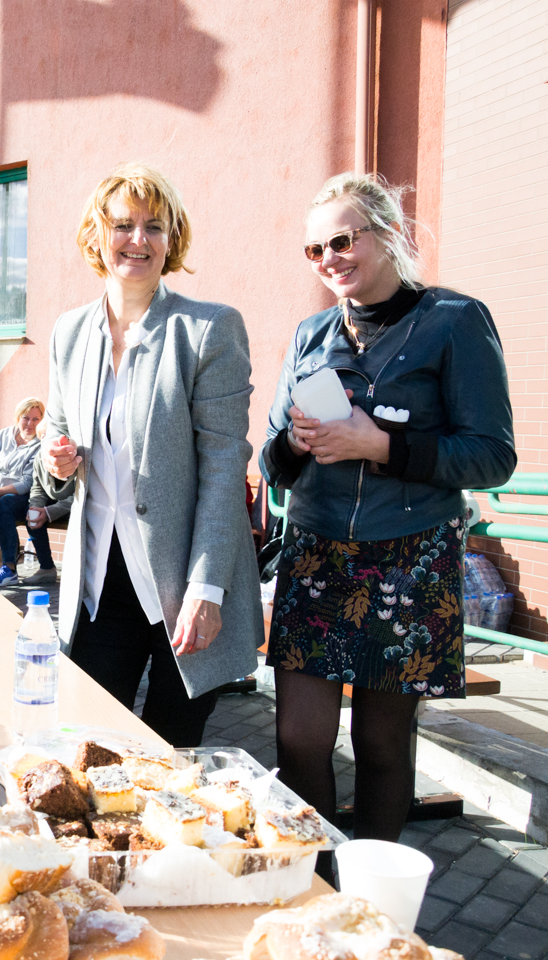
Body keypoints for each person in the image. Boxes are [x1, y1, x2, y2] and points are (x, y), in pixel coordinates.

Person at [260, 172, 515, 845]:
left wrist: (382, 446)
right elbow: (270, 462)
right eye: (315, 250)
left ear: (389, 233)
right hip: (315, 554)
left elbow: (493, 456)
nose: (329, 259)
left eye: (342, 241)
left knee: (381, 743)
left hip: (410, 557)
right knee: (299, 738)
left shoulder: (454, 321)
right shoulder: (311, 334)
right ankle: (319, 879)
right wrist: (295, 441)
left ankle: (372, 889)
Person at [29, 163, 261, 748]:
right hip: (100, 586)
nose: (139, 239)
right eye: (123, 225)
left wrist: (208, 589)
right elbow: (54, 455)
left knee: (172, 753)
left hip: (186, 585)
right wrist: (56, 464)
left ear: (171, 240)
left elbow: (224, 468)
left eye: (154, 226)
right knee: (94, 746)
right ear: (96, 236)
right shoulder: (68, 333)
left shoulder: (207, 329)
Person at [0, 397, 57, 587]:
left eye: (36, 419)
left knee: (5, 503)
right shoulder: (3, 436)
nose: (30, 424)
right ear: (17, 417)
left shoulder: (41, 443)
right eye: (25, 418)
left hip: (25, 497)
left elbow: (27, 483)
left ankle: (9, 569)